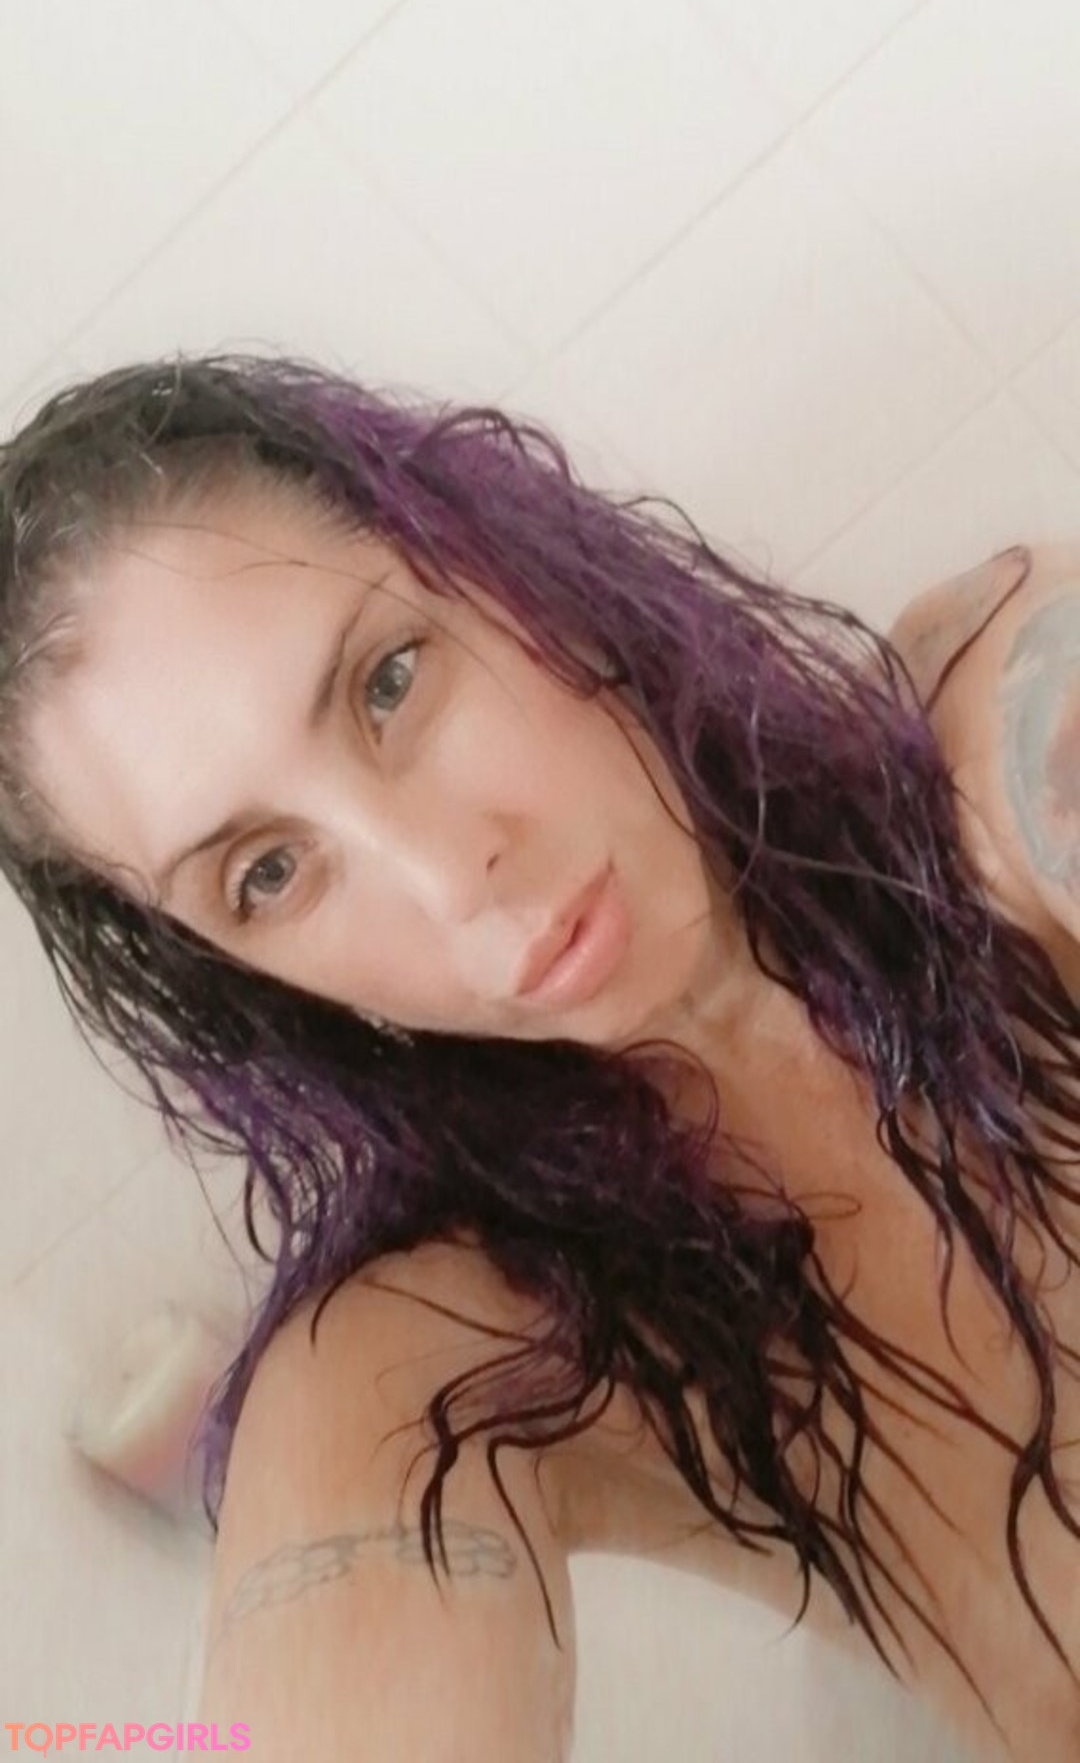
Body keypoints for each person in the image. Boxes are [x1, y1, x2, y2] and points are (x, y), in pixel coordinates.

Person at [0, 351, 1077, 1762]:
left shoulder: (981, 772)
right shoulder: (450, 1349)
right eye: (267, 873)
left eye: (390, 683)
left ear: (498, 557)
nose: (456, 881)